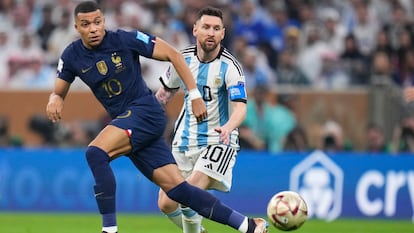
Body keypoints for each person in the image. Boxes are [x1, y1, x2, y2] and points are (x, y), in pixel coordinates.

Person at [45, 2, 267, 233]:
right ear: (76, 27)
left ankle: (109, 230)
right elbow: (60, 90)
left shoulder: (124, 39)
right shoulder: (71, 55)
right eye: (86, 24)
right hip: (131, 121)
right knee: (178, 192)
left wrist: (194, 95)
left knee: (95, 152)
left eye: (97, 22)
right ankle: (247, 225)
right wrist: (55, 98)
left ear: (104, 21)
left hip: (145, 112)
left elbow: (172, 54)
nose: (93, 28)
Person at [155, 6, 249, 233]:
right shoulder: (182, 60)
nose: (211, 32)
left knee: (189, 193)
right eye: (206, 27)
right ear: (195, 29)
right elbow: (164, 94)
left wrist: (227, 128)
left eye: (216, 28)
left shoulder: (231, 67)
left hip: (218, 140)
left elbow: (240, 109)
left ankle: (245, 226)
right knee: (166, 203)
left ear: (223, 34)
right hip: (184, 140)